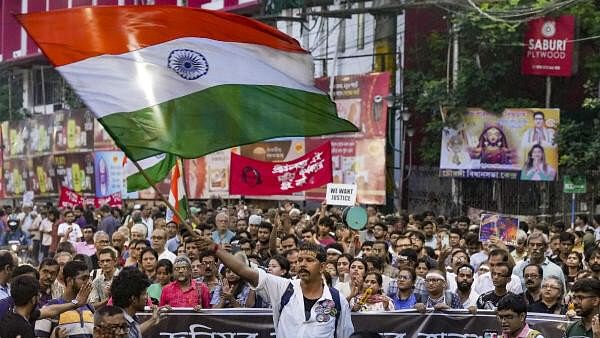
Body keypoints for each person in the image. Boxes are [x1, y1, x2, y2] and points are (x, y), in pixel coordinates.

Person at [194, 238, 354, 337]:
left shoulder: (337, 300)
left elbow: (345, 334)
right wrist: (217, 249)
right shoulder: (284, 288)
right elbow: (243, 270)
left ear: (323, 266)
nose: (302, 264)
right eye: (299, 260)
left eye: (309, 260)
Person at [34, 260, 94, 338]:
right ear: (69, 281)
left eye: (89, 278)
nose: (88, 282)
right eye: (83, 279)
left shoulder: (90, 308)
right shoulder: (50, 307)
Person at [111, 266, 170, 338]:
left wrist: (152, 320)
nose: (146, 297)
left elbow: (133, 332)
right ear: (133, 299)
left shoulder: (130, 318)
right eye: (144, 293)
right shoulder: (118, 325)